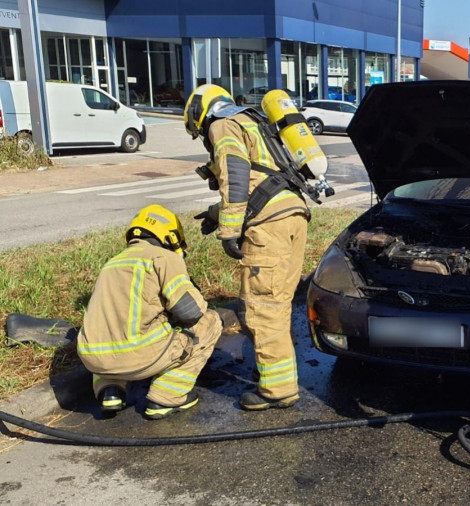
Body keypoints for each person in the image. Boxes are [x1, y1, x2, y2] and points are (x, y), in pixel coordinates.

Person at [184, 84, 309, 410]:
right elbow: (262, 181)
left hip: (269, 226)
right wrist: (215, 214)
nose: (204, 138)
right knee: (277, 302)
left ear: (201, 114)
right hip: (293, 214)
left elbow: (236, 176)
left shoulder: (222, 124)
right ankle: (273, 371)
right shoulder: (252, 121)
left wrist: (229, 231)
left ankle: (278, 390)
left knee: (262, 307)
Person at [77, 205, 222, 419]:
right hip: (138, 357)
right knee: (211, 321)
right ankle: (165, 397)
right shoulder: (163, 257)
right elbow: (190, 312)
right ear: (171, 237)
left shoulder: (112, 263)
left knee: (112, 329)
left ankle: (111, 391)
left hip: (94, 359)